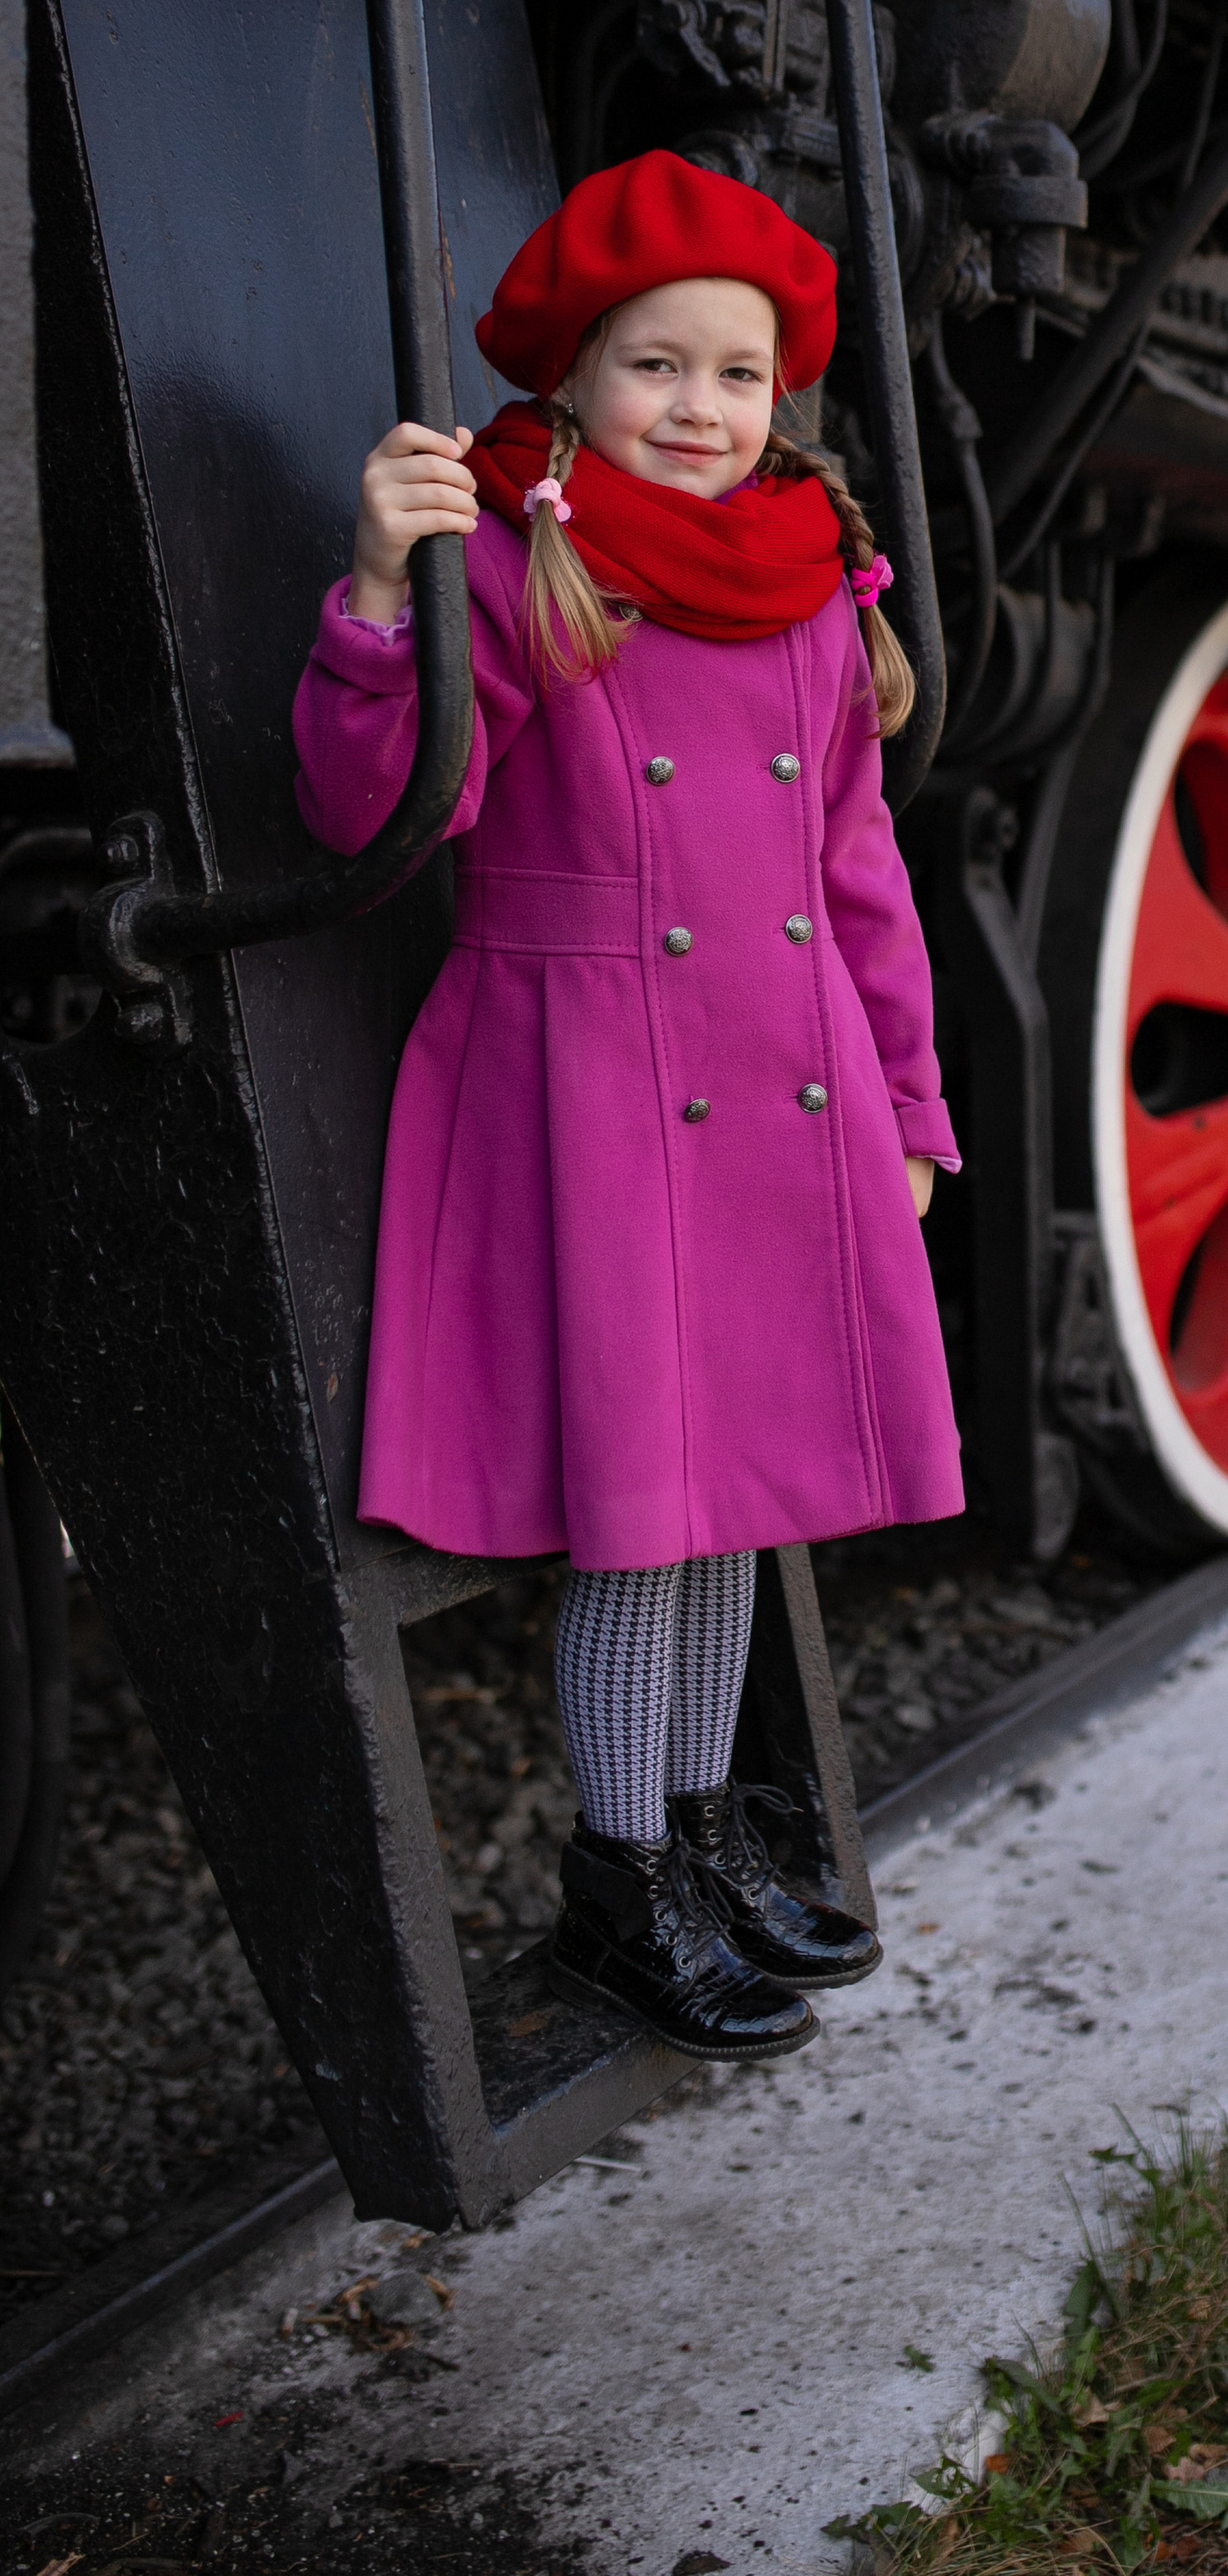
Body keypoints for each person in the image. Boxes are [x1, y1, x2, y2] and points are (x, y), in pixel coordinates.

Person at [293, 149, 962, 2061]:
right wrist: (368, 594)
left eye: (735, 374)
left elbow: (860, 877)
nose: (697, 407)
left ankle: (698, 1839)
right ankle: (618, 1880)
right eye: (654, 365)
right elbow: (368, 814)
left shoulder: (813, 588)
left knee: (736, 1504)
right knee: (641, 1519)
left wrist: (908, 1102)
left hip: (781, 1080)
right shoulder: (513, 566)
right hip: (586, 1088)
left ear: (782, 398)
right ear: (574, 380)